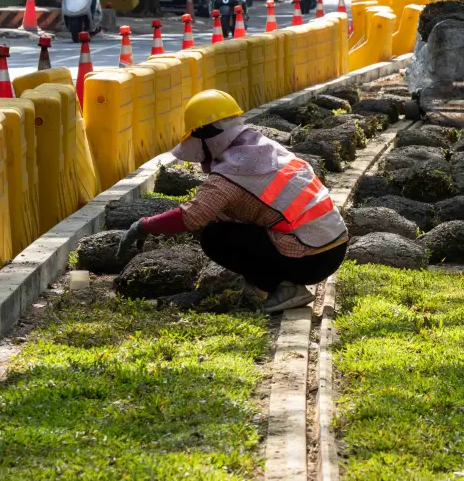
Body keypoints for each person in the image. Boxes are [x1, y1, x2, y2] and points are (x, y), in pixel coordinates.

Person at [117, 89, 349, 314]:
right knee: (229, 224)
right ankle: (276, 281)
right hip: (333, 245)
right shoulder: (263, 148)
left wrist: (143, 226)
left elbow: (191, 216)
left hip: (310, 259)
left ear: (206, 139)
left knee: (215, 236)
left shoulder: (232, 173)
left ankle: (284, 288)